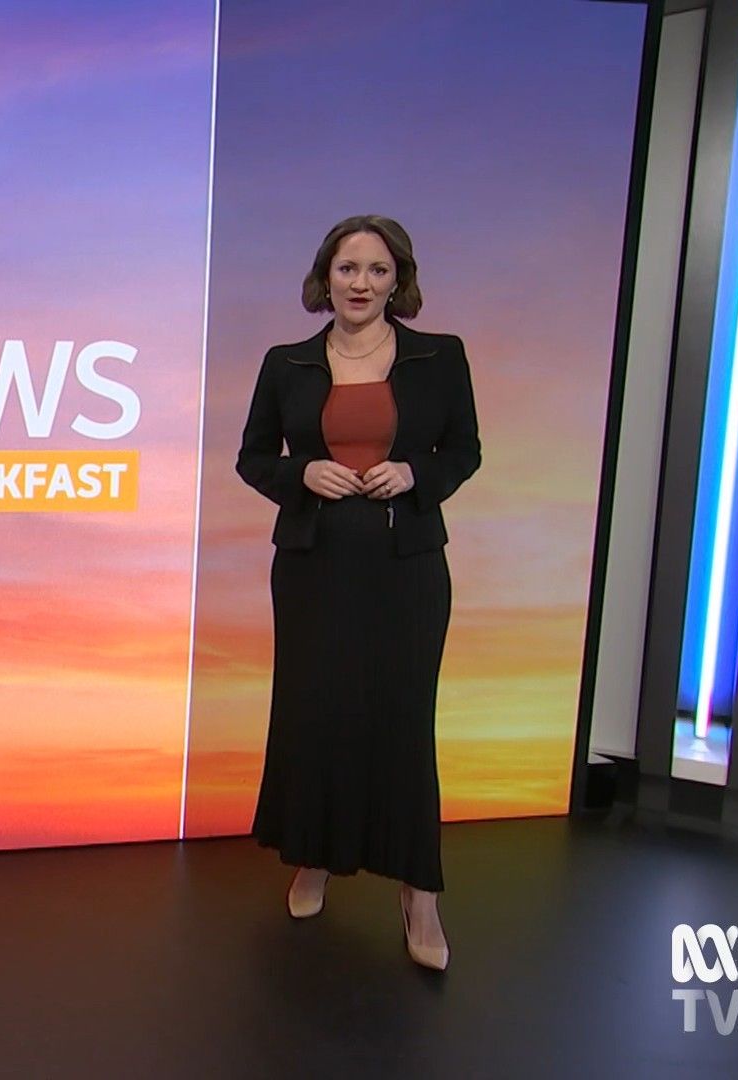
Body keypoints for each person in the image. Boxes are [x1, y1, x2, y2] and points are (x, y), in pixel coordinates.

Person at [235, 214, 480, 971]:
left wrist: (416, 474)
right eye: (348, 269)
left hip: (407, 567)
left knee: (401, 721)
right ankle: (316, 857)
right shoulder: (287, 363)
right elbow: (253, 457)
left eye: (377, 270)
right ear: (326, 277)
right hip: (313, 567)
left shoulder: (441, 356)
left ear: (398, 279)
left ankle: (419, 893)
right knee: (316, 714)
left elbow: (464, 450)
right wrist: (301, 472)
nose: (361, 284)